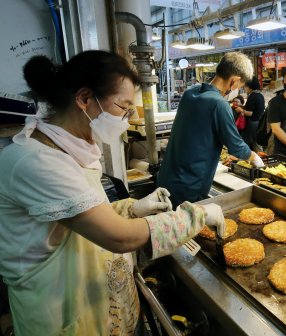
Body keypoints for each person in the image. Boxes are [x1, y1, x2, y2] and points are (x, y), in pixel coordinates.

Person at [0, 51, 225, 335]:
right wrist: (197, 216)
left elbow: (76, 221)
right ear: (84, 99)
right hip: (61, 311)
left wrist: (131, 209)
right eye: (124, 107)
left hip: (90, 298)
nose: (129, 119)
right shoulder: (36, 161)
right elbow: (118, 237)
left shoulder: (71, 149)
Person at [158, 52, 264, 206]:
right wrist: (255, 158)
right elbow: (236, 147)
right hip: (189, 186)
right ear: (235, 81)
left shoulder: (190, 93)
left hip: (167, 177)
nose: (237, 90)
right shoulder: (219, 104)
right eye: (239, 86)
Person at [235, 79, 265, 151]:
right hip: (259, 122)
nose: (244, 88)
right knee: (256, 143)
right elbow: (253, 108)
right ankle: (260, 157)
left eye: (245, 86)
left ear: (250, 87)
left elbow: (249, 113)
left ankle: (247, 158)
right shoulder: (260, 95)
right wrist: (242, 106)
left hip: (252, 124)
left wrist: (240, 110)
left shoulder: (252, 96)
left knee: (247, 142)